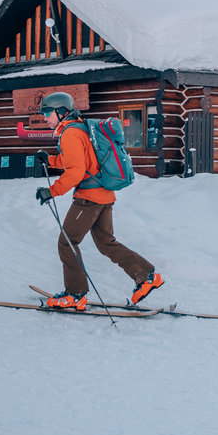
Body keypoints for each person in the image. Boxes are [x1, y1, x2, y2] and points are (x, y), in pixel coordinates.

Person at [33, 92, 164, 309]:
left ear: (61, 112)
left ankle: (75, 296)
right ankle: (147, 277)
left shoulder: (70, 134)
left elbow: (76, 172)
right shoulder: (81, 129)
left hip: (88, 198)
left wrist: (51, 191)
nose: (45, 118)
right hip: (104, 195)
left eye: (48, 113)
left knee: (67, 243)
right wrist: (50, 160)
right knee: (106, 243)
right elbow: (79, 160)